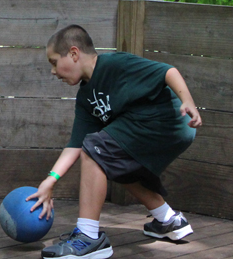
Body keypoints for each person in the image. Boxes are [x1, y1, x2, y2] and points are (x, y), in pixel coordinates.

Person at [29, 25, 202, 259]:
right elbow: (75, 144)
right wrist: (50, 181)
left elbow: (167, 71)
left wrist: (188, 101)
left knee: (97, 150)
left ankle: (89, 237)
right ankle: (168, 220)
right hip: (153, 129)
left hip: (167, 121)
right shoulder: (85, 97)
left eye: (53, 62)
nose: (52, 71)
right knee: (114, 164)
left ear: (73, 53)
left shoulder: (115, 64)